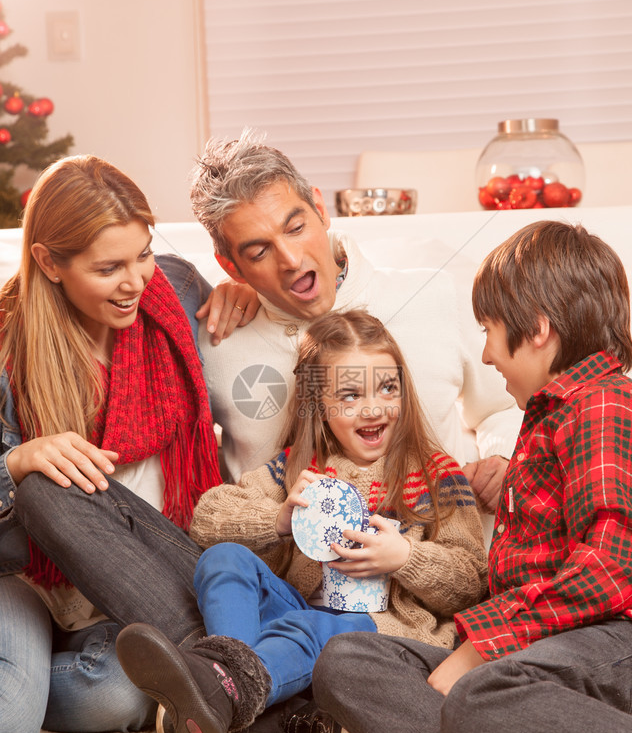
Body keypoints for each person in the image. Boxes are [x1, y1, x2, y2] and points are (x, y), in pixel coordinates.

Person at [305, 220, 632, 733]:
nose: (485, 354)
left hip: (610, 641)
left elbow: (613, 570)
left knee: (478, 701)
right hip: (544, 650)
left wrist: (483, 649)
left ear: (537, 329)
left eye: (489, 332)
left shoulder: (603, 406)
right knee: (347, 659)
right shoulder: (548, 419)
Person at [116, 309, 488, 733]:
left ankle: (221, 690)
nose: (373, 409)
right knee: (223, 559)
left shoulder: (437, 476)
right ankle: (233, 690)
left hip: (379, 632)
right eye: (351, 396)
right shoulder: (298, 470)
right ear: (320, 405)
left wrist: (406, 560)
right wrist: (278, 520)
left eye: (387, 389)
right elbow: (206, 519)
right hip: (291, 616)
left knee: (311, 627)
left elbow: (473, 582)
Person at [0, 153, 252, 733]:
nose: (137, 280)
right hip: (25, 574)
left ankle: (46, 677)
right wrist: (16, 460)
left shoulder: (179, 291)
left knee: (117, 696)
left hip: (132, 575)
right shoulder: (9, 342)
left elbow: (271, 328)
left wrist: (245, 297)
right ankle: (26, 679)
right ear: (49, 262)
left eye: (142, 253)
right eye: (109, 266)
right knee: (12, 716)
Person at [190, 130, 522, 511]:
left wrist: (504, 458)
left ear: (320, 208)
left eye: (296, 228)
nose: (291, 260)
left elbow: (503, 405)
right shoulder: (217, 343)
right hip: (285, 567)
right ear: (231, 266)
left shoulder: (434, 296)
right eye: (259, 251)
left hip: (438, 552)